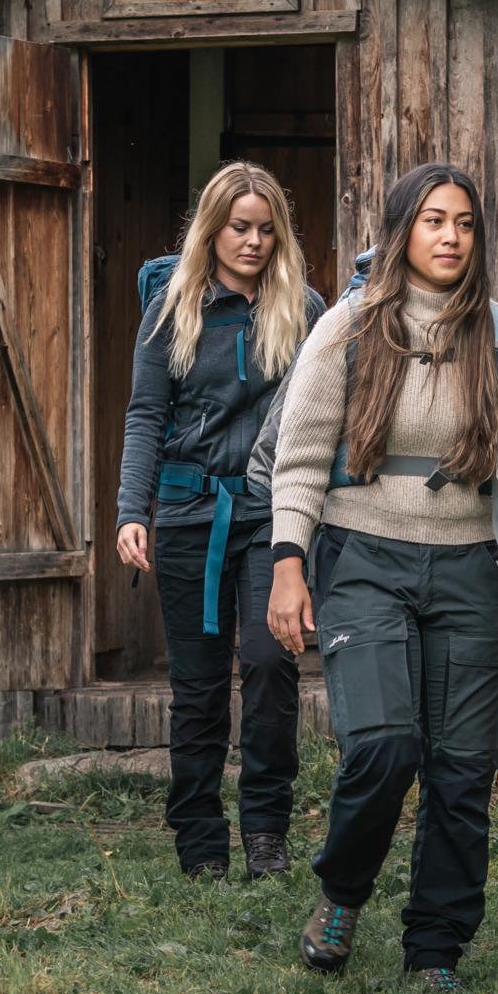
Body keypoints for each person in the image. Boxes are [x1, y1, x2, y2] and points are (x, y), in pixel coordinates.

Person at [265, 161, 498, 994]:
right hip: (362, 556)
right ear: (402, 230)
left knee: (461, 770)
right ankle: (342, 894)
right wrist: (288, 565)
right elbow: (300, 456)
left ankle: (435, 950)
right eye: (434, 220)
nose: (451, 236)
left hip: (467, 567)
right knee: (383, 745)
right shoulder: (347, 329)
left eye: (466, 224)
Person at [116, 162, 325, 881]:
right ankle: (199, 837)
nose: (254, 242)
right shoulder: (172, 308)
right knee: (200, 685)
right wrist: (129, 511)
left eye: (267, 230)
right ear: (213, 227)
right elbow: (145, 414)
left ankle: (266, 829)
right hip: (187, 513)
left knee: (271, 664)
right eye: (241, 227)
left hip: (271, 514)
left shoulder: (305, 310)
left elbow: (328, 417)